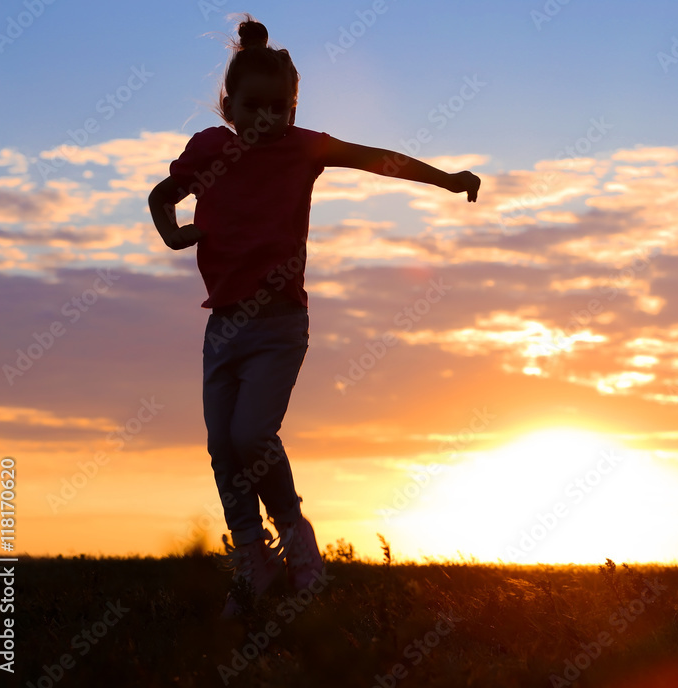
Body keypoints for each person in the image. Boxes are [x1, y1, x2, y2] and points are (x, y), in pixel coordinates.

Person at [147, 14, 480, 618]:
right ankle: (253, 562)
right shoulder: (206, 148)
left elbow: (379, 159)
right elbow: (162, 195)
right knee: (222, 446)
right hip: (221, 324)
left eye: (281, 108)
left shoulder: (302, 150)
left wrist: (449, 180)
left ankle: (297, 544)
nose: (268, 119)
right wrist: (174, 235)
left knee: (251, 435)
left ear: (294, 109)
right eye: (255, 107)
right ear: (229, 105)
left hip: (278, 324)